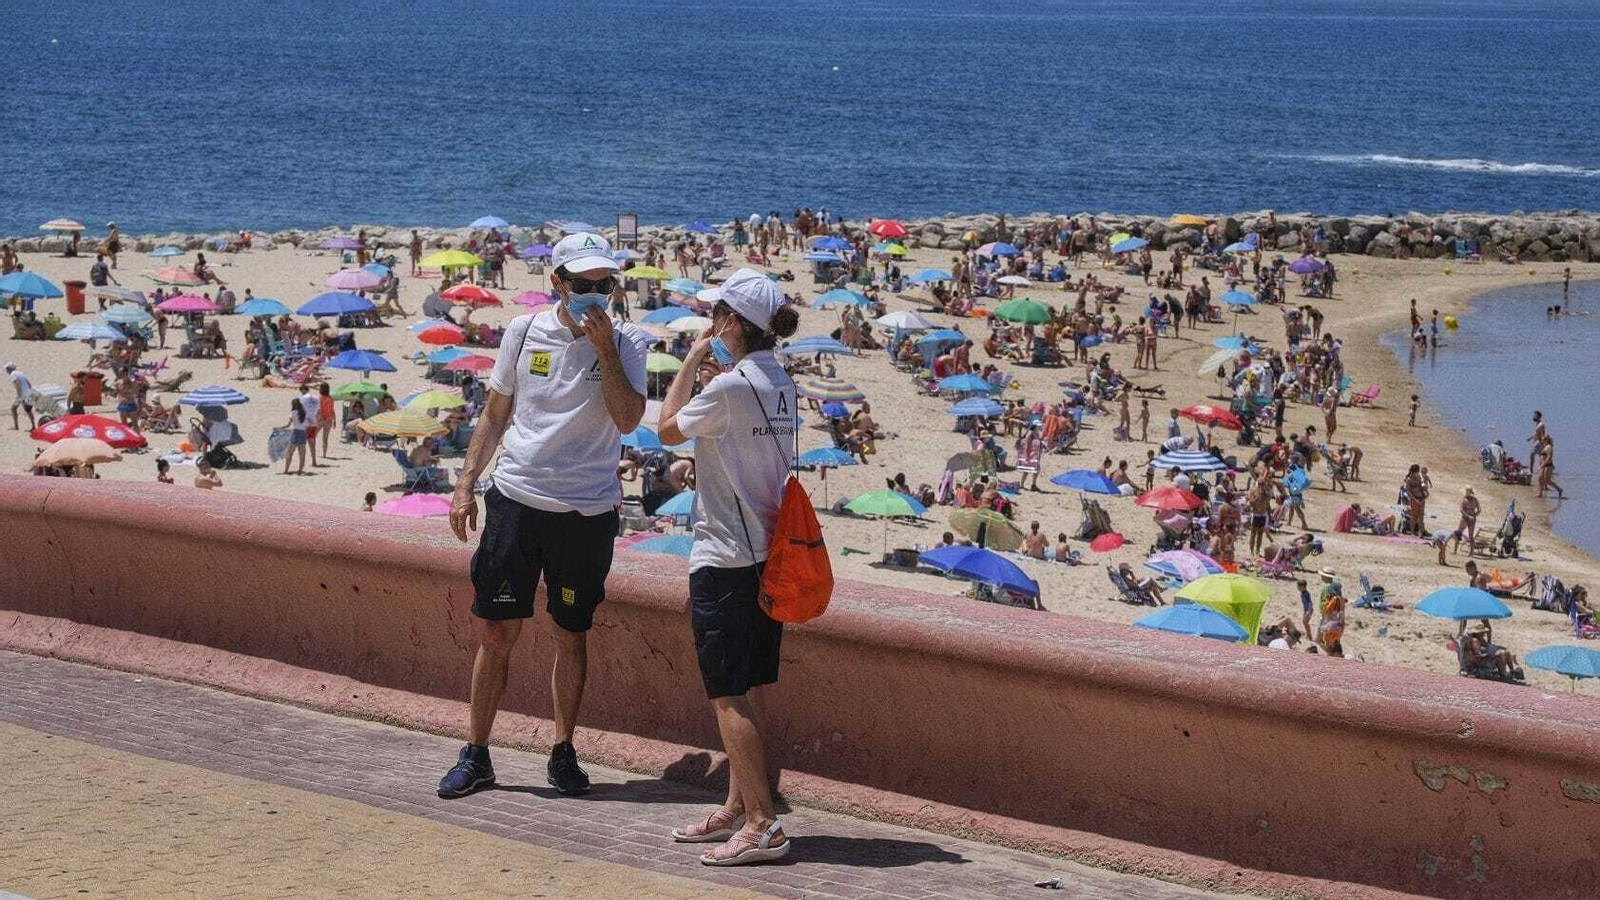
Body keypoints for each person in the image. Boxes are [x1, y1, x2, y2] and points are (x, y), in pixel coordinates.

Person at [438, 232, 646, 801]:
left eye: (606, 283)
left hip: (587, 511)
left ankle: (562, 751)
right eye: (583, 283)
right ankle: (476, 753)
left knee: (570, 634)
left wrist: (604, 351)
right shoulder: (523, 331)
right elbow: (495, 413)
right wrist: (464, 485)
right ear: (557, 282)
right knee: (496, 630)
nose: (596, 292)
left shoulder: (627, 340)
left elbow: (629, 420)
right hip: (517, 500)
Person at [657, 267, 798, 865]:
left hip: (726, 556)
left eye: (716, 315)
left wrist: (692, 359)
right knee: (750, 687)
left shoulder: (731, 387)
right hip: (768, 553)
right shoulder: (780, 381)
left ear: (730, 323)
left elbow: (666, 429)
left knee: (727, 696)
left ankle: (763, 822)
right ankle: (738, 806)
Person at [282, 398, 309, 475]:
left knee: (290, 453)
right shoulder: (304, 413)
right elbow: (307, 425)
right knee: (302, 454)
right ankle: (300, 470)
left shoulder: (293, 413)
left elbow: (288, 425)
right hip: (302, 433)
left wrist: (280, 428)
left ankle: (286, 470)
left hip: (294, 432)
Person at [297, 383, 321, 468]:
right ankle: (314, 461)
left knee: (302, 444)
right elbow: (319, 411)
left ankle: (302, 463)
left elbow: (300, 411)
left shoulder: (302, 398)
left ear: (303, 390)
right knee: (312, 443)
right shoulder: (316, 398)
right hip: (314, 423)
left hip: (305, 423)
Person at [7, 363, 35, 430]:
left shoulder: (13, 374)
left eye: (7, 369)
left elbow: (17, 384)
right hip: (28, 394)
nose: (6, 371)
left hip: (21, 395)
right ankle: (33, 426)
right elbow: (29, 384)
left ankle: (16, 426)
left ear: (9, 369)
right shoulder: (20, 373)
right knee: (28, 410)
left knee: (13, 408)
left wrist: (19, 396)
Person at [316, 382, 336, 459]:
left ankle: (313, 450)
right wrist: (334, 420)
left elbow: (319, 409)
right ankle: (324, 454)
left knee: (314, 435)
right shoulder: (331, 398)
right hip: (329, 419)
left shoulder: (320, 397)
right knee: (325, 438)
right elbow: (332, 410)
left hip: (321, 419)